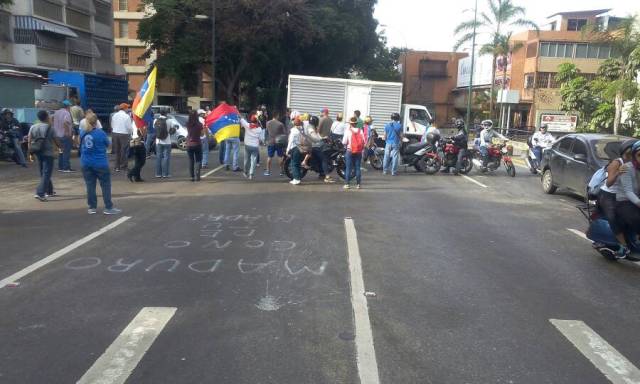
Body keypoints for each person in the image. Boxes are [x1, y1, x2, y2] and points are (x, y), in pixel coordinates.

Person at [599, 139, 637, 258]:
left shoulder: (635, 164)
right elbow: (609, 183)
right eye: (629, 153)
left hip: (623, 195)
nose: (631, 156)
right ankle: (623, 246)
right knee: (613, 217)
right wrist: (618, 173)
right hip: (608, 194)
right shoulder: (617, 162)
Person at [80, 113, 121, 215]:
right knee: (105, 185)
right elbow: (108, 145)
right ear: (96, 121)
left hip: (86, 162)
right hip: (100, 162)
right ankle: (108, 207)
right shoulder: (101, 133)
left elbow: (79, 144)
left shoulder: (82, 133)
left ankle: (92, 207)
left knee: (90, 185)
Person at [614, 141, 640, 246]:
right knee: (637, 218)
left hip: (637, 199)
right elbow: (628, 191)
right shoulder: (626, 168)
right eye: (639, 155)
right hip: (624, 201)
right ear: (634, 155)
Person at [28, 110, 56, 201]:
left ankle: (49, 191)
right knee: (46, 173)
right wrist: (60, 147)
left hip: (38, 151)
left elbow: (29, 139)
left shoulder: (33, 127)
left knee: (43, 172)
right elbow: (56, 139)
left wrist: (30, 152)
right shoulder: (50, 128)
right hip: (48, 153)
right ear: (47, 117)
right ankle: (40, 193)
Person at [343, 116, 365, 190]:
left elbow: (344, 142)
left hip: (350, 151)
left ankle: (347, 184)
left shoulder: (348, 130)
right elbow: (364, 141)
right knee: (357, 167)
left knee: (348, 168)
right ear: (356, 123)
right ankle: (358, 185)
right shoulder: (360, 130)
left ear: (350, 123)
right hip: (358, 151)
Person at [110, 103, 133, 172]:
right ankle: (123, 166)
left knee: (117, 151)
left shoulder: (114, 115)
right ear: (125, 108)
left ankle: (117, 166)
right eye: (127, 108)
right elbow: (129, 127)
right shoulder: (126, 116)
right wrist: (131, 133)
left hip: (115, 133)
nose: (128, 109)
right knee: (124, 150)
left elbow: (112, 125)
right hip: (124, 134)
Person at [52, 100, 74, 172]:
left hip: (57, 135)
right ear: (67, 106)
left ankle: (60, 167)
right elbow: (65, 123)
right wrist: (67, 133)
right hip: (64, 135)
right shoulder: (66, 113)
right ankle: (66, 167)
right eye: (70, 106)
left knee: (61, 151)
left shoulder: (56, 113)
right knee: (66, 152)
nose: (70, 107)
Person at [265, 112, 286, 176]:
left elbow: (267, 132)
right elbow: (284, 133)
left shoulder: (267, 123)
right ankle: (281, 171)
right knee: (280, 156)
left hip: (270, 142)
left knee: (269, 157)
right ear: (277, 116)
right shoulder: (280, 124)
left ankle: (268, 171)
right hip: (279, 142)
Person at [242, 114, 263, 180]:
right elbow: (261, 139)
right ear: (257, 121)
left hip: (247, 145)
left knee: (246, 159)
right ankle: (251, 174)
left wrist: (236, 110)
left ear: (251, 120)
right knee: (253, 160)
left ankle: (245, 172)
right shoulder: (259, 129)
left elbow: (241, 119)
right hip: (255, 146)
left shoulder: (247, 125)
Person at [186, 110, 203, 182]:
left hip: (189, 144)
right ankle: (197, 175)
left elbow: (189, 132)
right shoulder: (199, 124)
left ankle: (192, 177)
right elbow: (202, 134)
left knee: (191, 161)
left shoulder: (188, 124)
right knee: (198, 160)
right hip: (197, 143)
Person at [286, 117, 304, 185]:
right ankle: (297, 178)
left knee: (294, 164)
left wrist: (287, 150)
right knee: (298, 164)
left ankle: (296, 179)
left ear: (294, 124)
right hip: (300, 148)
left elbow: (290, 141)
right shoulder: (301, 130)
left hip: (294, 148)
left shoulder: (293, 131)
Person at [154, 110, 172, 178]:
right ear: (166, 113)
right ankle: (165, 174)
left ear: (160, 113)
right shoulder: (169, 121)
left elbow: (154, 129)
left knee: (158, 157)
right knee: (166, 158)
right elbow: (172, 130)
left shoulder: (156, 120)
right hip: (167, 141)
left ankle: (158, 174)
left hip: (158, 142)